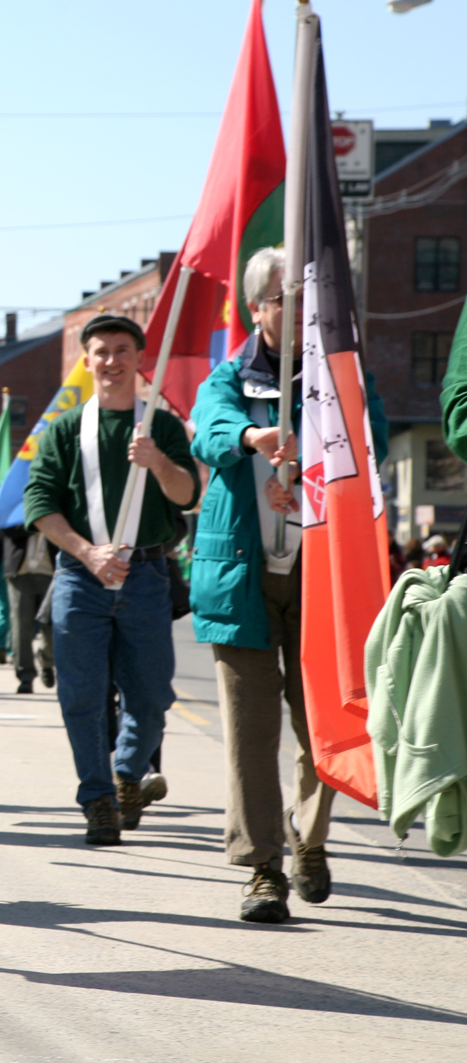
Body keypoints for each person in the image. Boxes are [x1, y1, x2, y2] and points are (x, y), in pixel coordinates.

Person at [189, 246, 387, 923]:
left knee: (320, 726)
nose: (299, 313)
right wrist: (254, 436)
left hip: (318, 577)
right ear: (257, 310)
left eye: (307, 302)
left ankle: (310, 838)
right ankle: (262, 869)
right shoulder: (230, 376)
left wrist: (312, 464)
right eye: (284, 301)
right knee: (250, 733)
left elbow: (372, 439)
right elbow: (210, 429)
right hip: (241, 578)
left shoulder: (338, 377)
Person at [25, 313, 199, 847]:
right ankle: (97, 799)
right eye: (101, 351)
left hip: (147, 574)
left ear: (140, 359)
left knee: (150, 698)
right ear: (87, 360)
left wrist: (160, 462)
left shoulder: (161, 426)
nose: (112, 361)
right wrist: (87, 552)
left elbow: (187, 495)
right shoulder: (63, 430)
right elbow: (40, 505)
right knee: (81, 696)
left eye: (122, 350)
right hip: (81, 577)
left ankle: (127, 774)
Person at [0, 525, 57, 693]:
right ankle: (25, 675)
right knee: (21, 626)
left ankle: (47, 661)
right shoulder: (12, 499)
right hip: (21, 571)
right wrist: (37, 521)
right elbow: (5, 528)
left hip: (51, 571)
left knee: (52, 623)